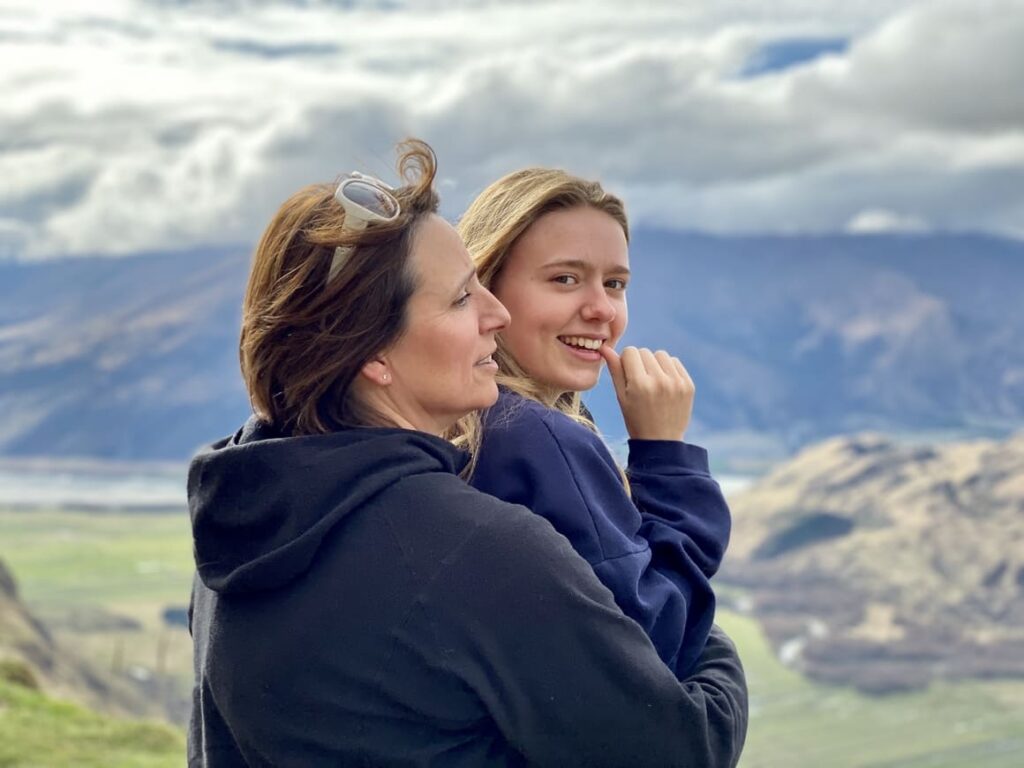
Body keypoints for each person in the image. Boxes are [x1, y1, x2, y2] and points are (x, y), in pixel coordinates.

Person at [188, 140, 747, 767]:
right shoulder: (478, 549)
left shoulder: (250, 509)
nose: (497, 314)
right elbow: (680, 746)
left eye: (616, 283)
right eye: (462, 297)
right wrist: (718, 651)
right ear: (371, 353)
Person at [455, 168, 732, 678]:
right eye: (565, 279)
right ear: (487, 289)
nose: (601, 309)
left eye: (616, 283)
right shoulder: (532, 436)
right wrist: (665, 453)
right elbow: (653, 647)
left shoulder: (465, 418)